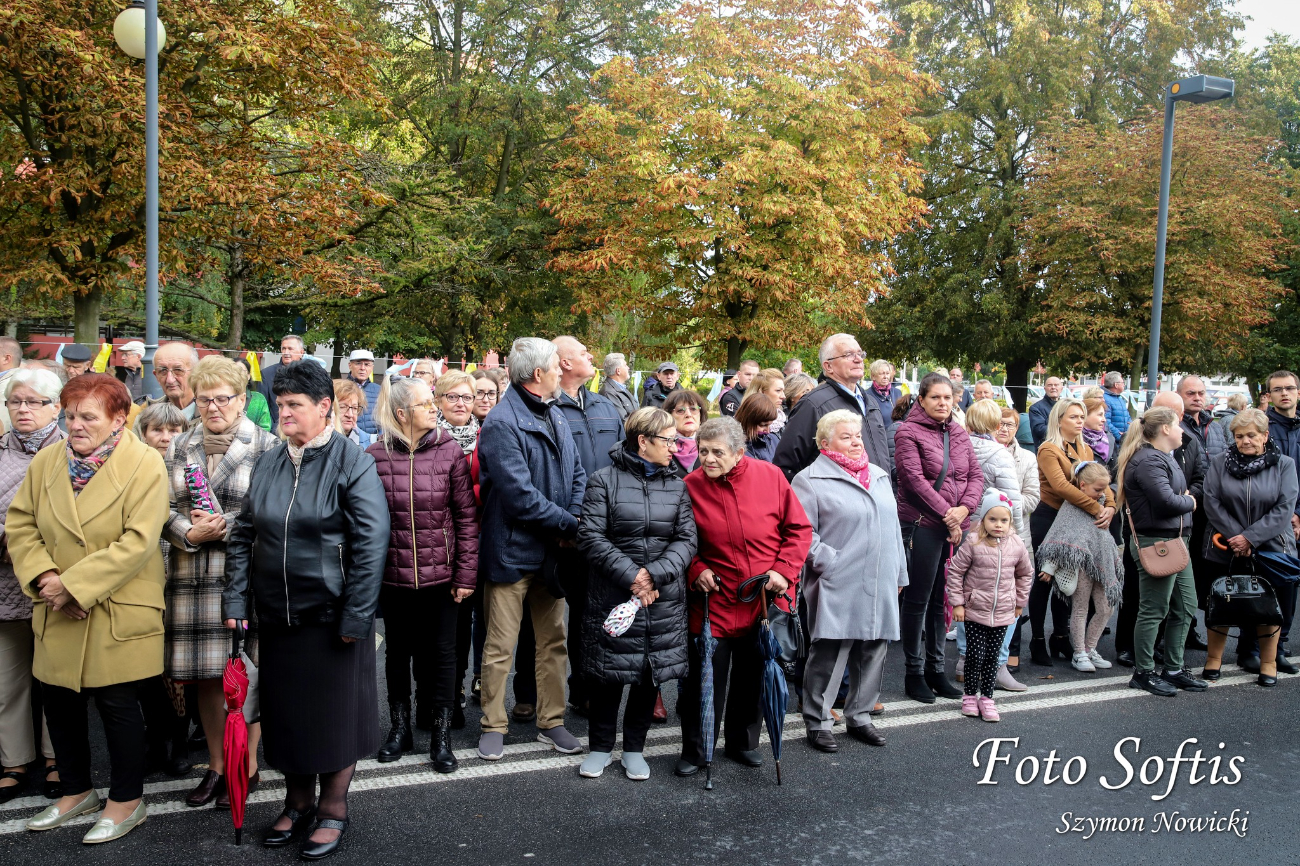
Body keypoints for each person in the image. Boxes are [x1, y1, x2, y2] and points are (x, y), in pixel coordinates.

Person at [223, 360, 389, 858]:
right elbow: (244, 533)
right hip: (277, 617)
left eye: (295, 405)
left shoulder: (352, 461)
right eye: (280, 404)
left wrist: (356, 616)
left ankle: (333, 808)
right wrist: (236, 600)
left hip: (333, 619)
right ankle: (297, 803)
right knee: (288, 719)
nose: (284, 413)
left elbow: (371, 542)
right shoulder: (273, 459)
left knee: (335, 720)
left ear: (324, 407)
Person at [8, 374, 168, 843]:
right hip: (56, 603)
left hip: (115, 606)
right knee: (60, 704)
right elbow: (21, 524)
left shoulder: (145, 464)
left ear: (119, 418)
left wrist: (73, 586)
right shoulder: (46, 460)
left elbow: (138, 542)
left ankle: (126, 800)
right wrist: (45, 579)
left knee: (119, 708)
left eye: (88, 417)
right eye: (70, 415)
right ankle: (75, 792)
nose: (75, 425)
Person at [160, 355, 278, 807]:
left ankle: (244, 766)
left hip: (243, 577)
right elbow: (162, 506)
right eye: (204, 399)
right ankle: (215, 764)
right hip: (190, 577)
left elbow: (269, 511)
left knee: (243, 675)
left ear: (242, 399)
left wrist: (222, 526)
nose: (212, 407)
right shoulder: (179, 445)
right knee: (207, 680)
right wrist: (187, 532)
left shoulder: (267, 445)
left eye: (222, 399)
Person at [676, 417, 811, 776]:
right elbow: (680, 540)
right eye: (703, 451)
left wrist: (783, 570)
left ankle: (744, 742)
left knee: (753, 677)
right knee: (704, 680)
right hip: (714, 600)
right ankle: (696, 748)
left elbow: (798, 529)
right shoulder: (690, 485)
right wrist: (696, 569)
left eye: (717, 452)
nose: (707, 459)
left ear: (738, 452)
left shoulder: (770, 477)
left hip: (763, 599)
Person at [475, 338, 586, 761]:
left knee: (553, 641)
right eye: (556, 366)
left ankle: (552, 721)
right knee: (501, 645)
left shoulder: (555, 412)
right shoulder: (503, 422)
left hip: (552, 552)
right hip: (512, 551)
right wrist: (568, 524)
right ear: (538, 374)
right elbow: (518, 496)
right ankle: (493, 724)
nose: (561, 371)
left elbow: (576, 473)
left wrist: (569, 521)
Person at [576, 408, 696, 780]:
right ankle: (599, 747)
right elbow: (591, 536)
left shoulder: (678, 485)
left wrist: (654, 575)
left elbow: (687, 539)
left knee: (649, 674)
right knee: (609, 674)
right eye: (668, 440)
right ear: (643, 441)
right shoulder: (603, 481)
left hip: (661, 597)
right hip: (615, 592)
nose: (675, 448)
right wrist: (632, 576)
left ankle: (633, 749)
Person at [368, 375, 478, 772]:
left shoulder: (449, 452)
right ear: (402, 413)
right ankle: (400, 728)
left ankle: (441, 733)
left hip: (443, 577)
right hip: (393, 577)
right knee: (397, 655)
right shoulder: (374, 455)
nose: (435, 409)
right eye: (426, 404)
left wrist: (466, 575)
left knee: (443, 657)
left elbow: (466, 518)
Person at [791, 410, 904, 751]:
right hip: (838, 579)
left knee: (874, 649)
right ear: (825, 444)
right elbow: (801, 533)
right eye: (846, 437)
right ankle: (818, 720)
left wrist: (899, 571)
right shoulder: (809, 480)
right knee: (830, 651)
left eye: (857, 435)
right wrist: (830, 562)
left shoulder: (880, 475)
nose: (856, 442)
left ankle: (861, 715)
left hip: (881, 576)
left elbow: (894, 530)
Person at [893, 373, 983, 703]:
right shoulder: (907, 432)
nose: (943, 403)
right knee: (918, 600)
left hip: (954, 525)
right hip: (923, 525)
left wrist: (965, 510)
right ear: (921, 400)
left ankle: (936, 670)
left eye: (948, 398)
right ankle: (914, 673)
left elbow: (975, 476)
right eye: (936, 398)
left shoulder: (958, 432)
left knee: (939, 601)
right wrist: (950, 513)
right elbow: (913, 481)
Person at [0, 368, 64, 804]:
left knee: (56, 678)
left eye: (34, 402)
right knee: (10, 680)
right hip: (4, 582)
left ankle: (58, 756)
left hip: (54, 584)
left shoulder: (71, 450)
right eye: (15, 402)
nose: (23, 410)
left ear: (55, 407)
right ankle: (14, 761)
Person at [1201, 408, 1299, 686]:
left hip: (1272, 548)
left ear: (1265, 436)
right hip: (1225, 546)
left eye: (1252, 435)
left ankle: (1268, 663)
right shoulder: (1220, 462)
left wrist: (1251, 538)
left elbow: (1284, 507)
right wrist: (1237, 537)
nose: (1245, 441)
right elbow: (1211, 501)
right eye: (1239, 436)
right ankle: (1214, 659)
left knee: (1268, 607)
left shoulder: (1285, 465)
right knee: (1221, 604)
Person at [554, 336, 624, 714]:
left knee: (599, 612)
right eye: (583, 353)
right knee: (557, 616)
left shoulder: (605, 406)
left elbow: (622, 461)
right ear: (564, 362)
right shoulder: (548, 409)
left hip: (607, 531)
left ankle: (590, 686)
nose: (591, 356)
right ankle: (543, 692)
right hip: (565, 531)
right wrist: (566, 523)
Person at [1115, 406, 1205, 697]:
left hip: (1175, 541)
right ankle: (1143, 673)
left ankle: (1174, 669)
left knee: (1186, 606)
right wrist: (1190, 502)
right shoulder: (1147, 461)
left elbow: (1173, 496)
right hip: (1157, 542)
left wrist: (1185, 498)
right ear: (1165, 428)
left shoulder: (1163, 457)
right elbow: (1167, 501)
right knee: (1154, 610)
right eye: (1178, 425)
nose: (1182, 431)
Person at [1025, 398, 1115, 666]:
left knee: (1070, 580)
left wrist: (1109, 505)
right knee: (1044, 580)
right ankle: (1038, 639)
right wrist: (1095, 508)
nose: (1079, 421)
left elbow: (1099, 480)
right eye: (1074, 417)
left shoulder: (1085, 449)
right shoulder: (1048, 449)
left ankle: (1061, 636)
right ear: (1059, 419)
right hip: (1049, 517)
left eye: (1081, 417)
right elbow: (1062, 486)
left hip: (1076, 519)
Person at [946, 491, 1033, 722]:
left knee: (993, 657)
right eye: (992, 519)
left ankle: (987, 697)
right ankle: (969, 696)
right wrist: (958, 603)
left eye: (1004, 520)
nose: (998, 525)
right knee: (975, 656)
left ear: (1010, 522)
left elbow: (1025, 574)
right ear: (983, 519)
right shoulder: (973, 542)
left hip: (1004, 612)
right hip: (975, 612)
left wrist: (1019, 603)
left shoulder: (1016, 544)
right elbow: (955, 572)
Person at [1036, 462, 1123, 672]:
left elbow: (1104, 535)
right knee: (1080, 608)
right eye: (1098, 489)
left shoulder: (1102, 504)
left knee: (1105, 608)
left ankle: (1091, 647)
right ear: (1082, 485)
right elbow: (1059, 536)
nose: (1102, 493)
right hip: (1081, 565)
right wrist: (1049, 567)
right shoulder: (1071, 506)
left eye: (1104, 489)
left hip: (1101, 563)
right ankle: (1079, 653)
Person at [774, 333, 892, 481]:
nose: (858, 359)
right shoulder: (813, 404)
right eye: (848, 354)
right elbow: (786, 466)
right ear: (828, 366)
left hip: (878, 496)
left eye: (860, 353)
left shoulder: (870, 402)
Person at [1259, 370, 1300, 670]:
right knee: (1266, 584)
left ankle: (1280, 645)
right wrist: (1290, 514)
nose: (1284, 393)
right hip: (1273, 519)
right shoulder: (1263, 428)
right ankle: (1255, 647)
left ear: (1298, 392)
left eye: (1290, 388)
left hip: (1298, 518)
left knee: (1289, 585)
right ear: (1269, 395)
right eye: (1277, 389)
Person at [258, 334, 307, 430]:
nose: (286, 352)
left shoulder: (310, 374)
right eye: (283, 348)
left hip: (304, 430)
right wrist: (273, 431)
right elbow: (262, 406)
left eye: (290, 348)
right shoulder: (267, 374)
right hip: (277, 431)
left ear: (301, 352)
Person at [664, 388, 709, 478]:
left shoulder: (712, 443)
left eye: (693, 409)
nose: (688, 414)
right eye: (680, 410)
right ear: (669, 416)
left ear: (701, 415)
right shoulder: (663, 446)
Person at [150, 342, 199, 421]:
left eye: (178, 370)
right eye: (163, 371)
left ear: (195, 373)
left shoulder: (213, 415)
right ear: (156, 376)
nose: (170, 380)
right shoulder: (147, 417)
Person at [735, 393, 781, 463]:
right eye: (763, 425)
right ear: (748, 421)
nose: (768, 431)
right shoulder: (734, 446)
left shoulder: (774, 440)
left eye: (770, 425)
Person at [345, 350, 382, 435]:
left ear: (372, 367)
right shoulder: (340, 389)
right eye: (358, 363)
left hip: (374, 442)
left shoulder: (380, 390)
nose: (362, 368)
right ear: (350, 366)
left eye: (367, 364)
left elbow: (386, 419)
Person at [743, 368, 788, 433]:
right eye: (778, 390)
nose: (783, 396)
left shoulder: (782, 419)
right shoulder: (746, 422)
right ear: (761, 392)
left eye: (783, 391)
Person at [236, 357, 273, 431]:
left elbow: (265, 427)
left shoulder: (258, 399)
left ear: (249, 375)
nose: (238, 375)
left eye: (242, 371)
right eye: (235, 371)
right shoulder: (223, 399)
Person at [333, 378, 372, 448]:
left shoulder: (370, 444)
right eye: (343, 407)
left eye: (354, 408)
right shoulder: (315, 442)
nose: (350, 415)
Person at [598, 352, 637, 421]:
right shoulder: (609, 392)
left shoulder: (620, 388)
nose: (628, 368)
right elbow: (623, 421)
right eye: (625, 365)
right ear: (618, 371)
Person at [1029, 376, 1063, 447]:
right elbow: (1039, 430)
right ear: (1045, 389)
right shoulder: (1035, 408)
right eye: (1050, 385)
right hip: (1047, 449)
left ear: (1061, 389)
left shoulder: (1066, 407)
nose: (1053, 387)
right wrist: (1064, 428)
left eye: (1056, 385)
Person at [1102, 372, 1130, 441]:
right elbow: (1106, 421)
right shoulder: (1105, 399)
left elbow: (1128, 417)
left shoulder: (1119, 398)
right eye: (1122, 382)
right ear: (1116, 385)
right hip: (1115, 442)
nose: (1124, 385)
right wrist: (1119, 436)